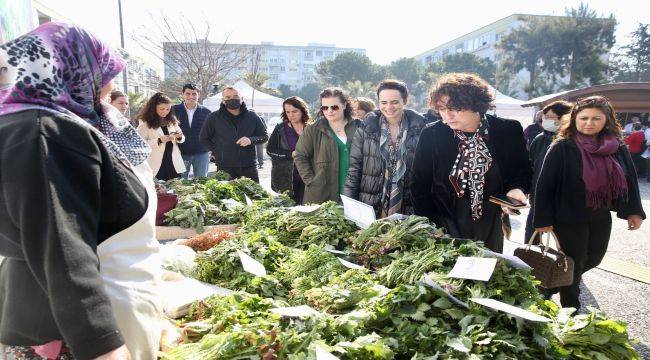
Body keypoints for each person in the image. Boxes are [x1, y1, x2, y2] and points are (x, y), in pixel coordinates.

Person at [0, 22, 162, 359]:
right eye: (105, 71)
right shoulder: (45, 133)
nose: (111, 84)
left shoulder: (43, 121)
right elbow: (63, 248)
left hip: (63, 315)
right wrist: (104, 346)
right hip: (68, 335)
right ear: (69, 65)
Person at [534, 96, 645, 309]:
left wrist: (634, 211)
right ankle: (570, 311)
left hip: (600, 214)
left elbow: (630, 179)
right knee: (573, 263)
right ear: (574, 119)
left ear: (607, 120)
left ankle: (549, 286)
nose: (589, 123)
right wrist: (542, 220)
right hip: (567, 216)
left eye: (596, 118)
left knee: (594, 258)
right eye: (583, 118)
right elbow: (544, 185)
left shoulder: (616, 146)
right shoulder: (562, 146)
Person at [411, 73, 531, 253]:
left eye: (455, 107)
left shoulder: (507, 130)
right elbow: (419, 185)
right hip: (443, 224)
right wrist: (429, 227)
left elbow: (521, 171)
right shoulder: (433, 134)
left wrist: (516, 189)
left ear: (476, 104)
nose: (447, 115)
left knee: (487, 275)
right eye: (442, 108)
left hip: (490, 222)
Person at [344, 80, 425, 217]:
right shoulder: (365, 129)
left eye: (394, 102)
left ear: (404, 101)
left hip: (410, 208)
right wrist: (350, 208)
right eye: (384, 102)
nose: (389, 107)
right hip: (371, 206)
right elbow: (354, 171)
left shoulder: (421, 130)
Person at [294, 87, 363, 204]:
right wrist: (311, 181)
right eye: (325, 107)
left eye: (334, 107)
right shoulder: (313, 129)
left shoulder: (359, 127)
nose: (329, 111)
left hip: (355, 191)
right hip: (321, 192)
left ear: (345, 105)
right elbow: (300, 156)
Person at [524, 100, 573, 243]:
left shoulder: (572, 142)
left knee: (564, 239)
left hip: (563, 200)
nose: (545, 120)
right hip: (539, 196)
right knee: (531, 236)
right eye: (544, 117)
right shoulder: (540, 138)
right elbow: (530, 165)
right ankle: (530, 261)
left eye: (551, 117)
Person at [199, 87, 268, 182]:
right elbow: (203, 138)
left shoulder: (252, 116)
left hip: (248, 166)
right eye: (228, 97)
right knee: (226, 196)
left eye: (235, 96)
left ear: (242, 98)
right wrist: (217, 151)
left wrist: (250, 140)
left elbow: (264, 136)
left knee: (253, 196)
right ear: (223, 101)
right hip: (224, 166)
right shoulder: (214, 117)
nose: (232, 99)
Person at [267, 97, 311, 204]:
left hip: (307, 177)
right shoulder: (280, 129)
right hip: (285, 178)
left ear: (302, 110)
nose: (291, 115)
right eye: (288, 112)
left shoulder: (311, 128)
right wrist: (289, 154)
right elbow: (270, 150)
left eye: (295, 111)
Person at [137, 92, 186, 181]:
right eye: (161, 109)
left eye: (168, 109)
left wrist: (179, 136)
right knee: (160, 191)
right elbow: (139, 144)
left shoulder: (171, 120)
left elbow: (182, 138)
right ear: (153, 108)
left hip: (173, 162)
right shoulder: (145, 123)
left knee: (175, 190)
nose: (165, 112)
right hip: (156, 163)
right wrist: (159, 140)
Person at [172, 83, 212, 179]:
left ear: (198, 94)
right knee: (179, 183)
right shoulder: (173, 110)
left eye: (194, 94)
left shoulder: (207, 112)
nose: (191, 96)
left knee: (202, 183)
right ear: (183, 94)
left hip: (202, 153)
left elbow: (212, 132)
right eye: (188, 93)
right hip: (180, 152)